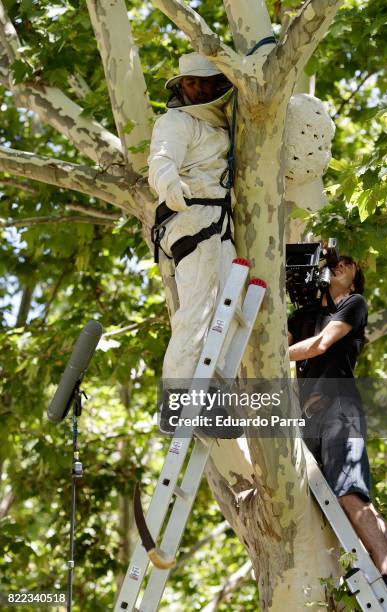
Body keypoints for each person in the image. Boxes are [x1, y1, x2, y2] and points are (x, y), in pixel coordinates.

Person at [288, 256, 387, 608]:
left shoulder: (353, 304)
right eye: (334, 263)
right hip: (307, 419)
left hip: (340, 407)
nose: (339, 265)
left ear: (355, 280)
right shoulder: (302, 315)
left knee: (349, 494)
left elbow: (321, 344)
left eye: (348, 264)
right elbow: (279, 338)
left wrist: (277, 356)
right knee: (330, 503)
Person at [148, 52, 241, 437]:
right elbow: (161, 160)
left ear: (219, 85)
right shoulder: (176, 121)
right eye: (190, 82)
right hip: (192, 220)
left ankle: (210, 400)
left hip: (219, 224)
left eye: (204, 81)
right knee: (198, 312)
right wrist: (173, 189)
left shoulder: (223, 127)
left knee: (229, 314)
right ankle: (175, 403)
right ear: (180, 86)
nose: (197, 88)